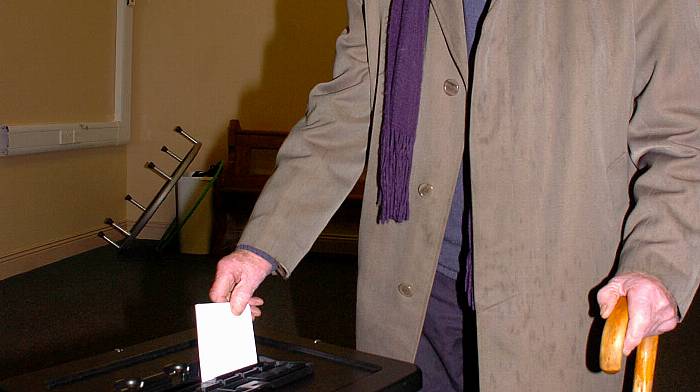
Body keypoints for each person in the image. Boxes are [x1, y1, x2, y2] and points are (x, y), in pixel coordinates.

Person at [210, 1, 700, 391]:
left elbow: (684, 137)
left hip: (559, 297)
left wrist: (659, 264)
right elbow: (352, 100)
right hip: (413, 292)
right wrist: (263, 244)